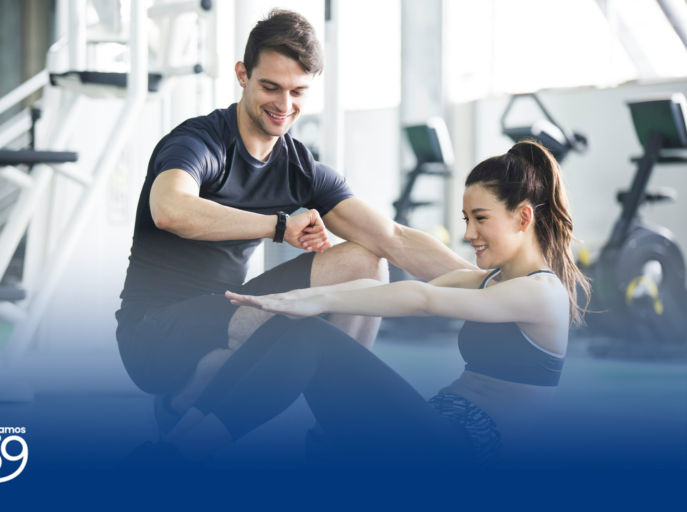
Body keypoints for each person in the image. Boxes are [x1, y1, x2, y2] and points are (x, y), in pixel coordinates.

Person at [123, 140, 591, 469]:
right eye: (466, 219)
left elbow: (422, 298)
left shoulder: (542, 293)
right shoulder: (486, 280)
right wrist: (298, 299)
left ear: (523, 216)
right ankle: (174, 447)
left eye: (480, 218)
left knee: (312, 335)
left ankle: (182, 457)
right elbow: (377, 294)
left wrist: (316, 301)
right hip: (433, 426)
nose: (469, 234)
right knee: (295, 324)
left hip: (460, 451)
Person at [115, 7, 472, 438]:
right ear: (242, 75)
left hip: (225, 310)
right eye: (270, 87)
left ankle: (334, 428)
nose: (284, 106)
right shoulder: (199, 142)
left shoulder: (298, 166)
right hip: (153, 335)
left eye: (298, 92)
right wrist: (278, 226)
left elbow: (394, 238)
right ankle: (180, 405)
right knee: (286, 320)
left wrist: (492, 286)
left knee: (366, 262)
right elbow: (170, 209)